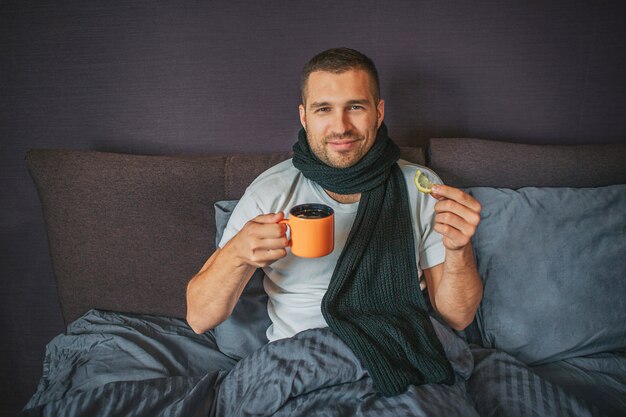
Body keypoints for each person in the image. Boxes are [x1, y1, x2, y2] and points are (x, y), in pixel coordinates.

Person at [186, 47, 483, 395]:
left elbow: (458, 317)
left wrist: (459, 249)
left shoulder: (422, 188)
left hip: (400, 350)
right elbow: (199, 318)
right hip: (300, 361)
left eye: (355, 107)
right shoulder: (271, 192)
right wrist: (236, 254)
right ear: (304, 116)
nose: (340, 127)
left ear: (378, 112)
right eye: (324, 109)